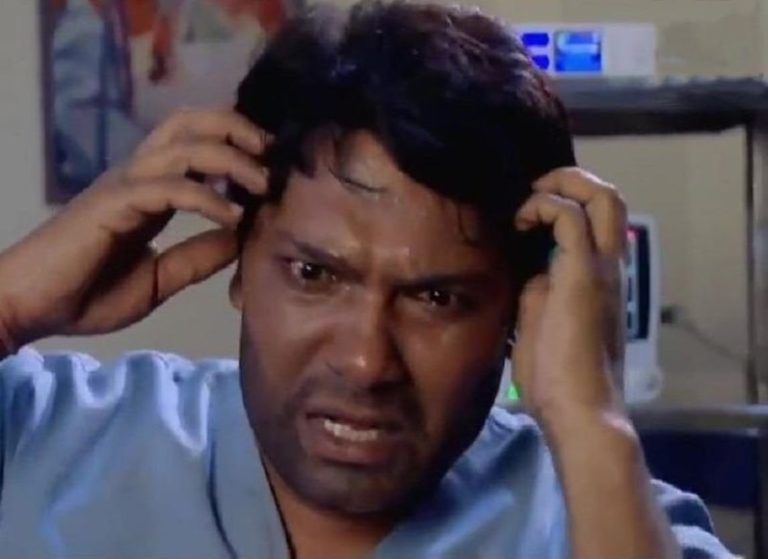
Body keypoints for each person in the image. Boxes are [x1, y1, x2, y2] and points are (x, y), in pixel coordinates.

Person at [0, 2, 730, 558]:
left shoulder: (606, 514)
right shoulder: (43, 435)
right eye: (314, 273)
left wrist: (591, 420)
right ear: (240, 265)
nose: (365, 361)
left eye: (437, 298)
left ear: (518, 309)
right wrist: (7, 305)